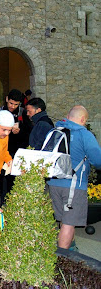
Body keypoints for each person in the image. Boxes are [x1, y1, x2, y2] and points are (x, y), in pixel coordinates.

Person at [48, 106, 101, 250]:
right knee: (69, 222)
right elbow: (98, 160)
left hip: (53, 182)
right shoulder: (84, 134)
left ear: (68, 115)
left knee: (63, 219)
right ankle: (62, 259)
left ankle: (71, 249)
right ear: (83, 119)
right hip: (73, 185)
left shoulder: (55, 131)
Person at [0, 89, 31, 204]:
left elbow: (29, 132)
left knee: (14, 181)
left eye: (16, 104)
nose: (12, 106)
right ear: (6, 99)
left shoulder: (23, 113)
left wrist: (20, 131)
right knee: (1, 182)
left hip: (17, 152)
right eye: (11, 103)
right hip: (1, 152)